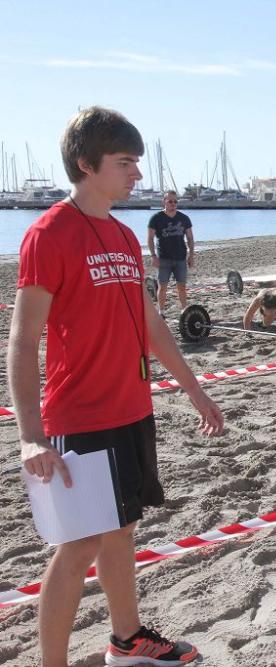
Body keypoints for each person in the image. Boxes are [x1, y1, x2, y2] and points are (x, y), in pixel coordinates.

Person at [9, 107, 224, 667]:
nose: (137, 175)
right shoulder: (48, 234)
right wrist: (30, 436)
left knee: (122, 529)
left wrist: (194, 390)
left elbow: (151, 324)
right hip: (78, 416)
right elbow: (22, 341)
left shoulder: (126, 236)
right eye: (125, 163)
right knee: (77, 544)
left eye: (137, 164)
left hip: (131, 408)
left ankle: (127, 641)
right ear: (86, 164)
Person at [146, 190, 194, 314]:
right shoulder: (156, 218)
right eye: (170, 201)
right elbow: (150, 238)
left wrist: (191, 255)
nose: (173, 204)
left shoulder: (184, 218)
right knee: (162, 286)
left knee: (181, 286)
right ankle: (161, 311)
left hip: (180, 258)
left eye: (175, 201)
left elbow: (190, 237)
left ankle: (184, 310)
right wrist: (153, 256)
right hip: (164, 259)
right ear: (164, 202)